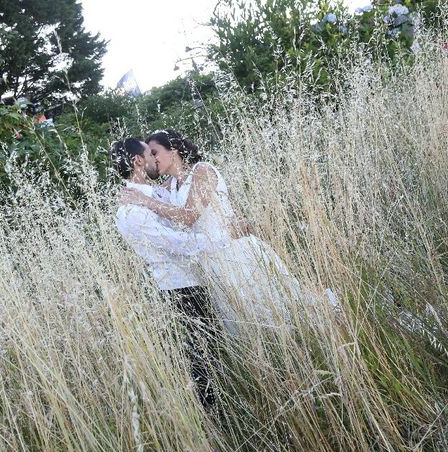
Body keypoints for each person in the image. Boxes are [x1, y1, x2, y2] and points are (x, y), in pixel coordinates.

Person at [119, 130, 335, 333]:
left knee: (276, 308)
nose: (153, 159)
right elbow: (146, 193)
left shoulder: (202, 171)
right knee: (246, 323)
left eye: (155, 152)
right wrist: (135, 195)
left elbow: (188, 215)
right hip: (211, 262)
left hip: (235, 250)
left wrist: (145, 201)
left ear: (173, 150)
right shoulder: (171, 184)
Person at [111, 137, 248, 410]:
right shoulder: (131, 211)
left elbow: (185, 205)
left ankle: (232, 405)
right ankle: (215, 420)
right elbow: (180, 245)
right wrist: (227, 235)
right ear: (139, 161)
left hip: (202, 276)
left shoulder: (157, 193)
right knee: (201, 358)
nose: (154, 158)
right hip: (180, 287)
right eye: (149, 154)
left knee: (217, 347)